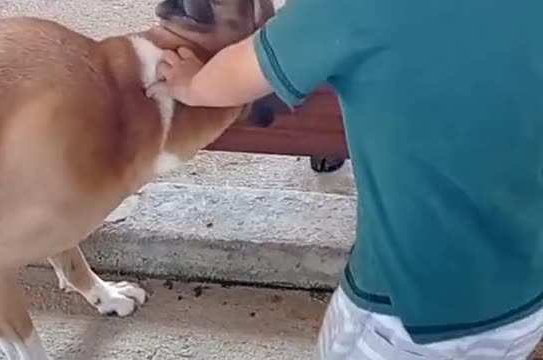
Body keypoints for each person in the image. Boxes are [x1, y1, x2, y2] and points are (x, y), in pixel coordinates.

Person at [146, 0, 543, 358]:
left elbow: (243, 72)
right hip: (525, 297)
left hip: (408, 314)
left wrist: (192, 85)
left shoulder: (349, 8)